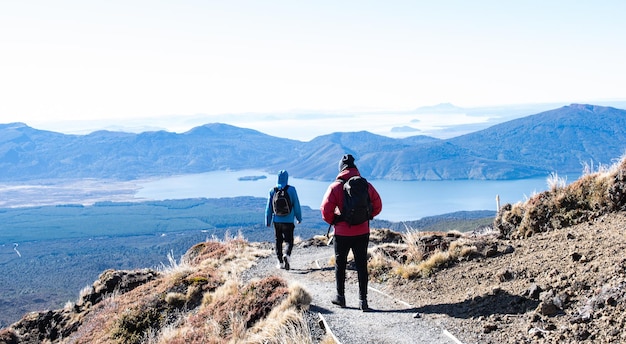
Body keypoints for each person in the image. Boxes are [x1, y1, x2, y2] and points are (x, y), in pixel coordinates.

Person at [320, 154, 382, 311]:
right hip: (362, 232)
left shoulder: (335, 187)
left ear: (341, 168)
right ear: (355, 168)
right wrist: (368, 216)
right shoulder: (365, 185)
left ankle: (340, 298)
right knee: (362, 265)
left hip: (342, 233)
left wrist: (335, 221)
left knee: (340, 265)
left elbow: (325, 210)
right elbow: (378, 204)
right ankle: (363, 301)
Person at [265, 170, 302, 270]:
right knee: (289, 240)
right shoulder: (292, 190)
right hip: (289, 220)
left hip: (277, 221)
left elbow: (269, 208)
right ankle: (287, 255)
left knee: (278, 241)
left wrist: (268, 221)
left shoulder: (273, 191)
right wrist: (299, 218)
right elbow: (296, 205)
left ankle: (280, 262)